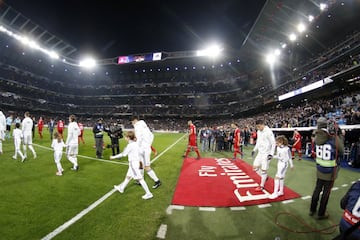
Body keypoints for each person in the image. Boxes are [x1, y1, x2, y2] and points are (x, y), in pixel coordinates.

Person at [309, 117, 344, 220]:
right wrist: (340, 135)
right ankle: (321, 213)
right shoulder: (332, 138)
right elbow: (341, 151)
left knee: (317, 189)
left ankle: (312, 209)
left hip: (320, 168)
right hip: (330, 171)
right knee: (326, 193)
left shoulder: (316, 137)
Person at [111, 131, 153, 200]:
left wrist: (113, 157)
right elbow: (140, 153)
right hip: (134, 163)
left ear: (128, 137)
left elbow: (123, 154)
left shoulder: (130, 145)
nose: (125, 138)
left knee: (140, 179)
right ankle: (121, 188)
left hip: (134, 164)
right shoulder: (135, 144)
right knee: (128, 176)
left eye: (125, 137)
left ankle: (149, 193)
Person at [131, 116, 161, 189]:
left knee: (146, 167)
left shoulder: (137, 126)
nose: (132, 124)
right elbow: (152, 135)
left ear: (134, 121)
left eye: (132, 122)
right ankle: (140, 181)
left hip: (143, 149)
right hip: (145, 148)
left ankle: (157, 181)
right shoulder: (145, 126)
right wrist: (149, 144)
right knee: (140, 165)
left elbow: (139, 138)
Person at [251, 119, 276, 191]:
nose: (258, 128)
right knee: (255, 167)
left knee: (263, 170)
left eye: (259, 126)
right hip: (260, 152)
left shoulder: (268, 132)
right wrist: (254, 150)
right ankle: (265, 177)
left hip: (266, 153)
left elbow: (273, 143)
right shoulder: (259, 131)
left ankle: (261, 186)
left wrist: (271, 153)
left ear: (262, 124)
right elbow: (258, 142)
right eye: (257, 127)